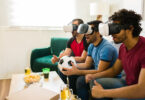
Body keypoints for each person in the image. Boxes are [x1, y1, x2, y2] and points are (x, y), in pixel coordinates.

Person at [87, 9, 145, 100]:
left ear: (130, 28)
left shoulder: (143, 49)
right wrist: (94, 76)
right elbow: (115, 70)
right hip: (127, 82)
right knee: (94, 82)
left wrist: (103, 93)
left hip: (140, 90)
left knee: (118, 98)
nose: (112, 34)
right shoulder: (123, 47)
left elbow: (142, 90)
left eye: (116, 28)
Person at [62, 20, 118, 99]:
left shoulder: (106, 48)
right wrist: (72, 66)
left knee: (81, 80)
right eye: (85, 32)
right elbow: (87, 64)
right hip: (97, 71)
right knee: (71, 73)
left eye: (89, 31)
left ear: (99, 32)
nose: (85, 35)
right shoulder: (91, 45)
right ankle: (74, 97)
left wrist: (78, 71)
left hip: (107, 75)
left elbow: (100, 71)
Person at [51, 18, 89, 94]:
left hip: (85, 65)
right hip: (74, 63)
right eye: (71, 27)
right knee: (62, 68)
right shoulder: (71, 40)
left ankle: (73, 94)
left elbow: (82, 59)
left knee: (71, 72)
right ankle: (65, 89)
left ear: (81, 27)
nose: (72, 30)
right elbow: (66, 54)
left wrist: (68, 59)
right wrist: (58, 59)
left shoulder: (87, 40)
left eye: (74, 27)